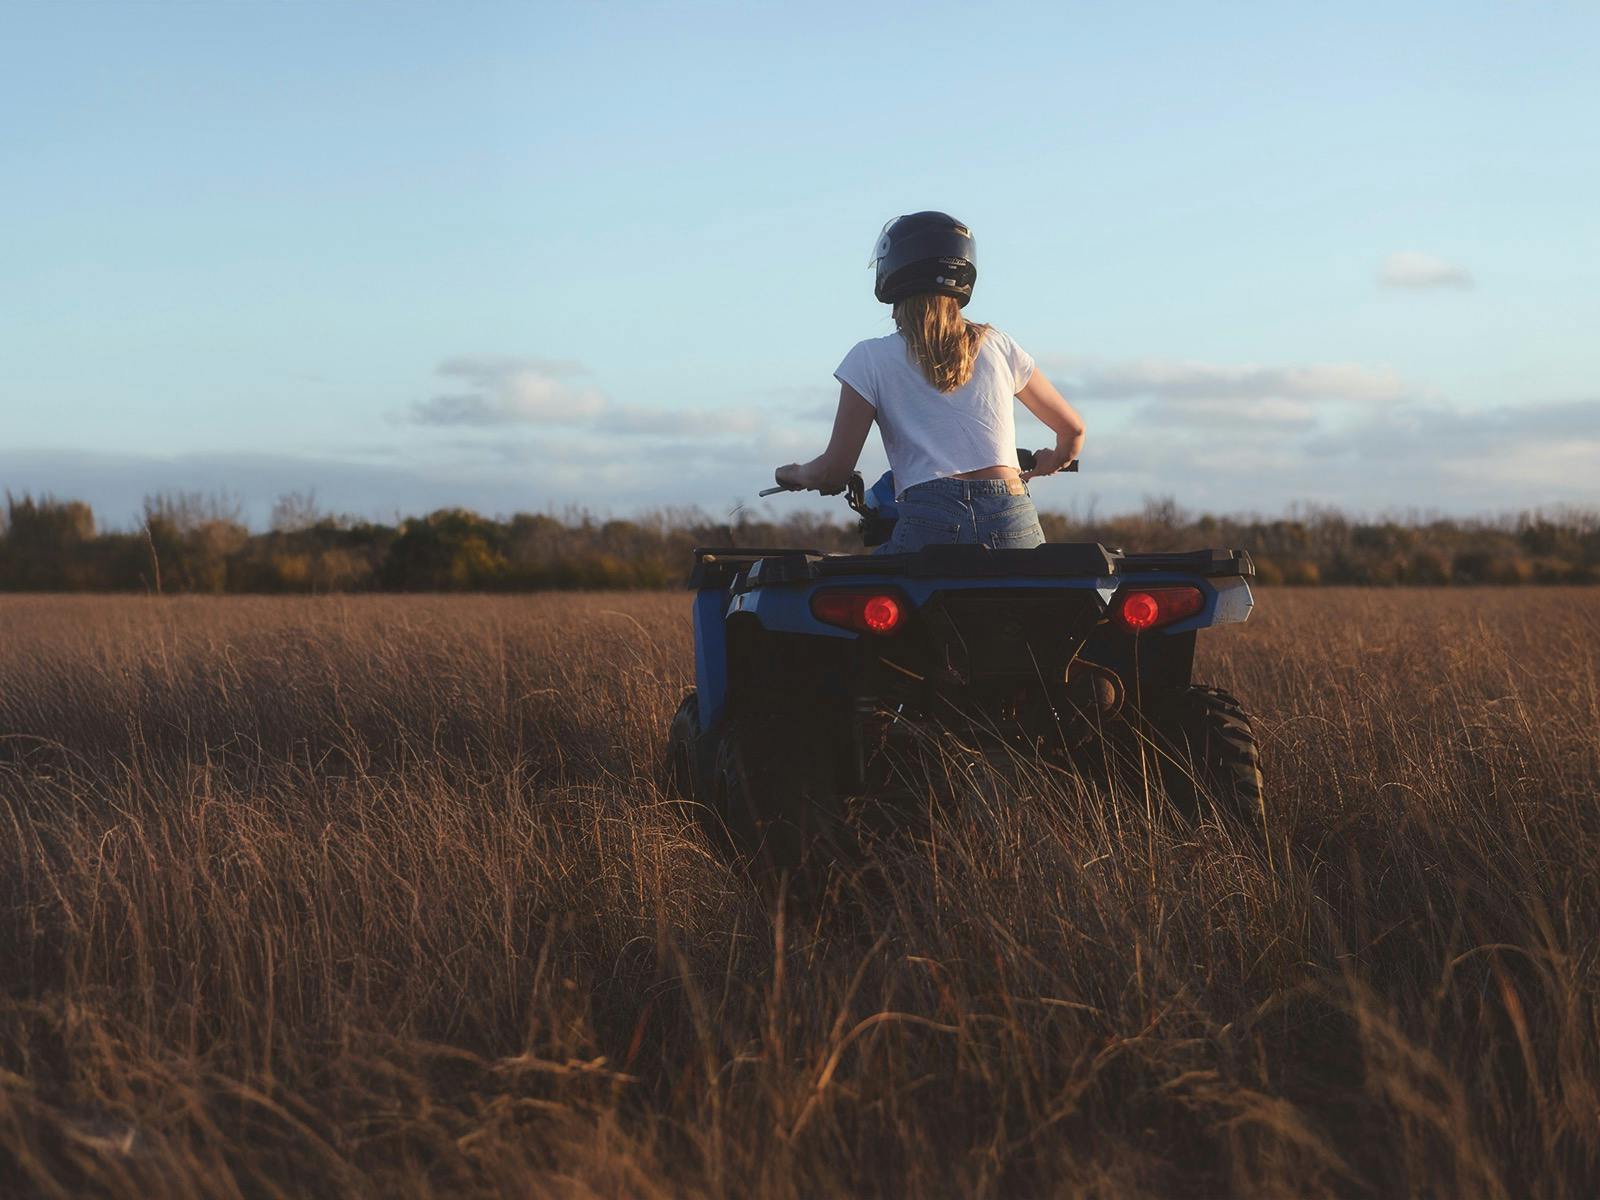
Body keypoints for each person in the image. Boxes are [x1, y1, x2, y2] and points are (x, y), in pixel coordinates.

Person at [773, 211, 1086, 553]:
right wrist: (1052, 460)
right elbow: (1073, 431)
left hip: (929, 515)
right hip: (1011, 509)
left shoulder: (869, 358)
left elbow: (834, 472)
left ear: (892, 276)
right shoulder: (997, 344)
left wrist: (797, 474)